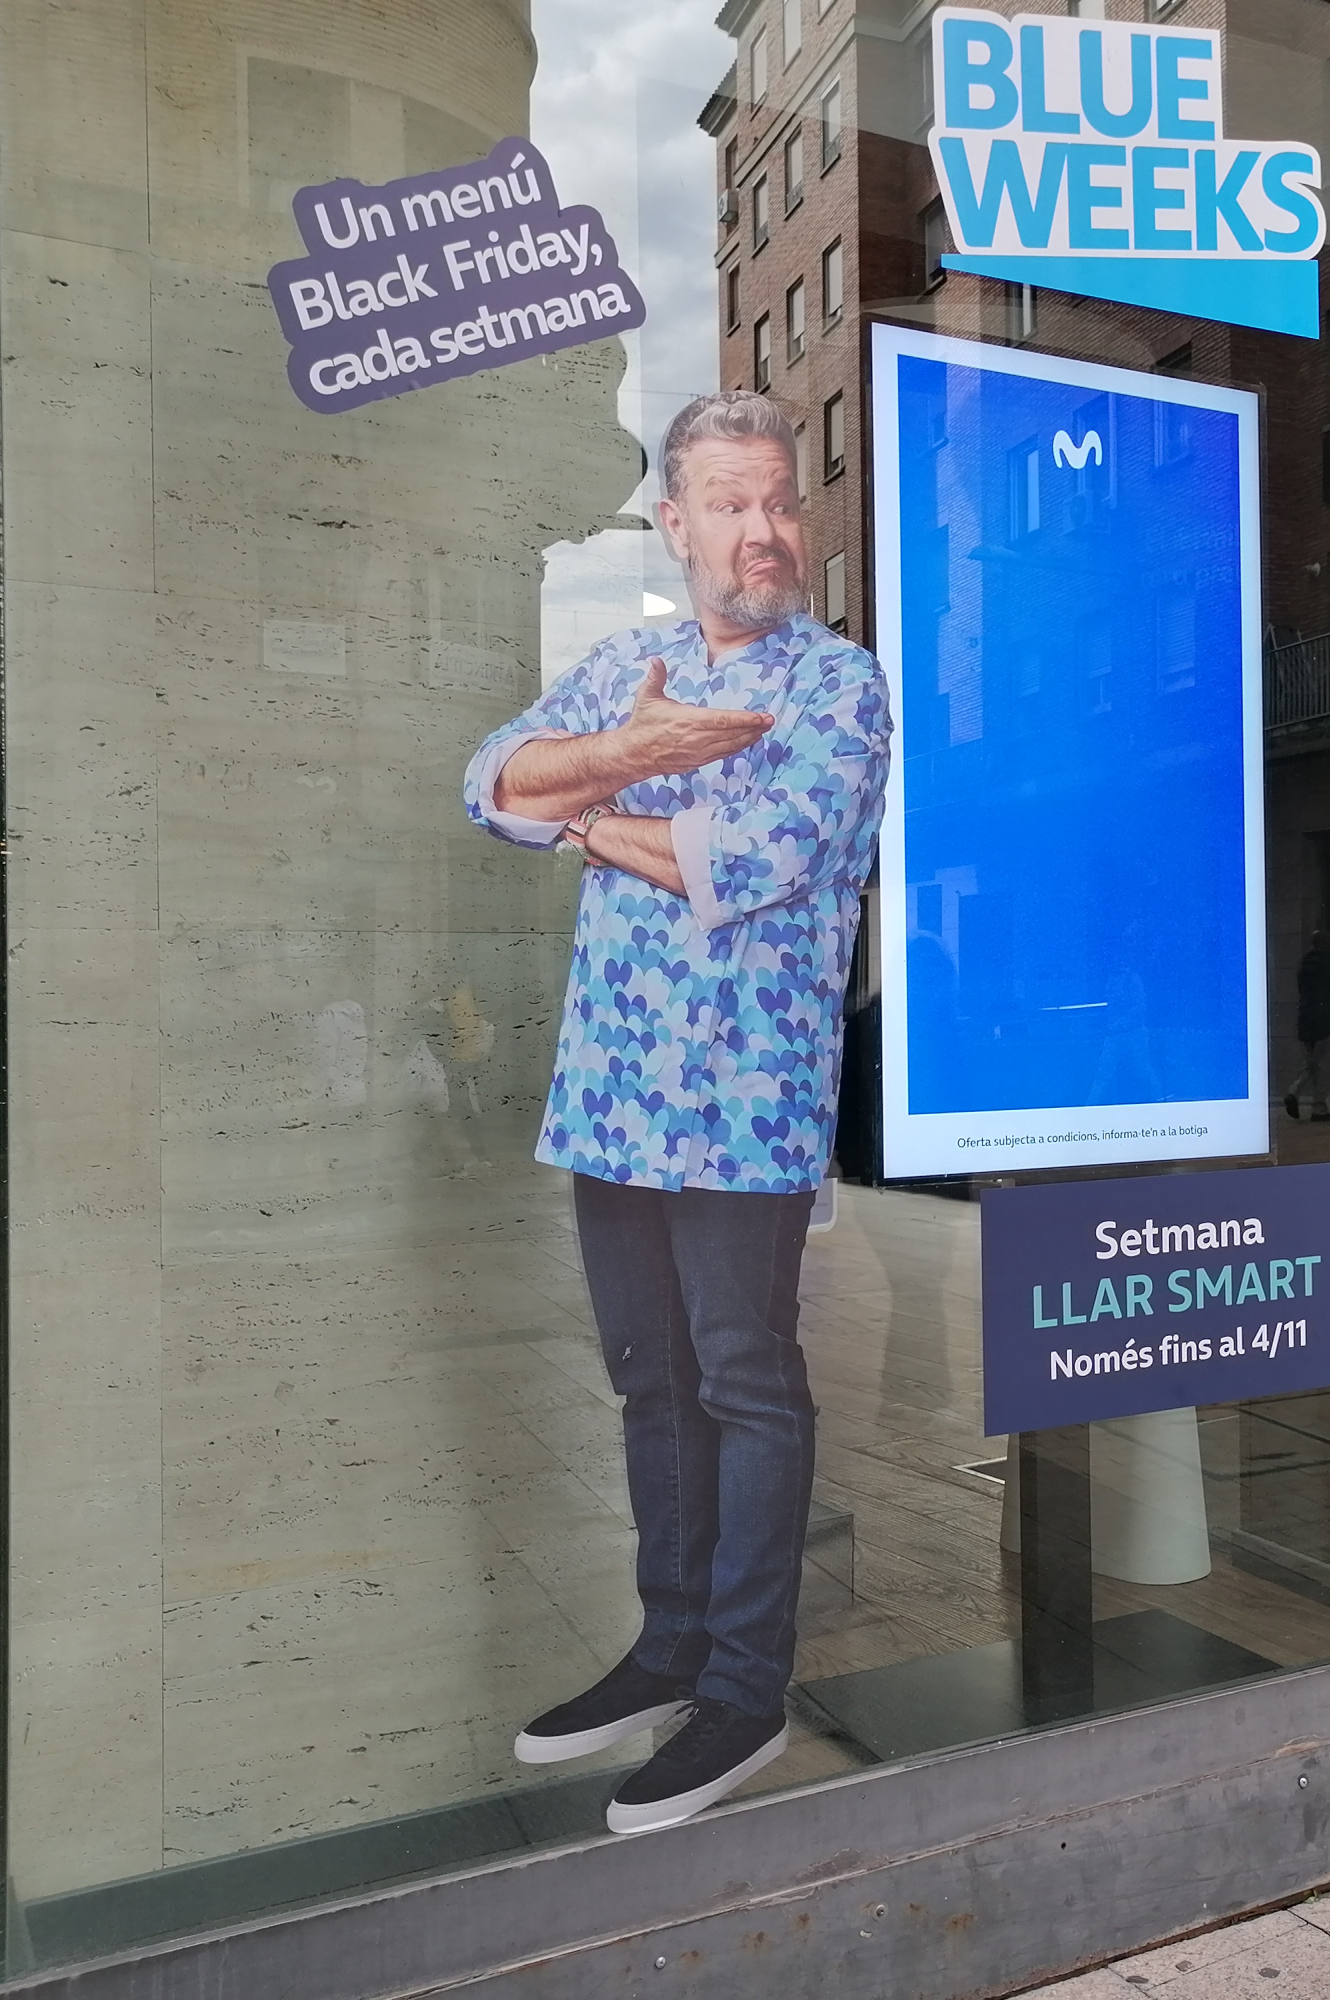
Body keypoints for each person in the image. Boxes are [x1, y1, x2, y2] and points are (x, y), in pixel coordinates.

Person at [460, 390, 889, 1835]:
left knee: (744, 1384)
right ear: (675, 522)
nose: (760, 529)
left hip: (746, 1111)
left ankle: (745, 1685)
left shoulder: (839, 687)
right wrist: (612, 768)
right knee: (649, 1385)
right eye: (727, 501)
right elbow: (491, 784)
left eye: (777, 500)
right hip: (613, 1098)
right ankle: (667, 1649)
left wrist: (593, 806)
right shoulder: (628, 662)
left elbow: (750, 857)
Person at [1284, 930, 1330, 1122]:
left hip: (1305, 1018)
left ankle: (1294, 1091)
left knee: (1311, 1061)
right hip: (1325, 1019)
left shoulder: (1304, 965)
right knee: (1324, 1065)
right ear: (1326, 944)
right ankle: (1318, 1107)